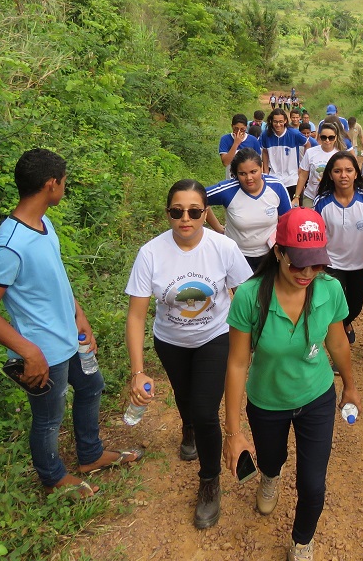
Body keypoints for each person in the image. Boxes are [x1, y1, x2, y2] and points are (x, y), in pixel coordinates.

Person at [0, 149, 142, 500]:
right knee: (48, 418)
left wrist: (79, 314)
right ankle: (52, 478)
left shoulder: (45, 225)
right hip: (43, 351)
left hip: (69, 337)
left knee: (91, 387)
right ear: (51, 184)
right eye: (63, 181)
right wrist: (28, 352)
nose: (64, 187)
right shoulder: (10, 245)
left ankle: (90, 455)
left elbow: (55, 279)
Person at [223, 208, 361, 561]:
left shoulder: (329, 289)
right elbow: (237, 363)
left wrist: (350, 385)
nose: (307, 273)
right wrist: (233, 432)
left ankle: (302, 541)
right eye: (298, 263)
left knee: (313, 483)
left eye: (316, 264)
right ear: (278, 252)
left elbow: (337, 343)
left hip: (316, 397)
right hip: (267, 401)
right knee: (271, 460)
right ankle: (271, 476)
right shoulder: (250, 296)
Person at [124, 179, 253, 528]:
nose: (186, 218)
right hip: (170, 341)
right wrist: (138, 371)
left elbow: (245, 294)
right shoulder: (151, 253)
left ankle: (209, 481)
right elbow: (136, 316)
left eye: (194, 212)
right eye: (177, 211)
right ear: (167, 213)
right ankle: (188, 430)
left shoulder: (223, 247)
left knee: (205, 410)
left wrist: (251, 339)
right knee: (184, 396)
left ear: (205, 213)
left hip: (215, 336)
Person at [313, 152, 363, 344]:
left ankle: (346, 322)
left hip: (359, 263)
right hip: (331, 263)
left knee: (355, 306)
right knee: (334, 303)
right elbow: (317, 236)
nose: (343, 175)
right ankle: (337, 336)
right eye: (337, 171)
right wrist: (317, 264)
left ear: (356, 173)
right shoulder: (321, 202)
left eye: (348, 170)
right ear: (330, 175)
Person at [206, 149, 293, 271]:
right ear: (236, 174)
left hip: (270, 255)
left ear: (261, 167)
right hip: (236, 255)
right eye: (242, 174)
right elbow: (198, 199)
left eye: (253, 172)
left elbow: (287, 222)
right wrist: (218, 228)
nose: (249, 178)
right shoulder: (227, 190)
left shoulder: (276, 187)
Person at [260, 107, 309, 201]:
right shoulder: (266, 135)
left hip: (292, 178)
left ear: (285, 121)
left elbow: (307, 144)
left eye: (281, 121)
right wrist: (266, 172)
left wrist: (303, 165)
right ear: (271, 121)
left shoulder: (294, 133)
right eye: (275, 122)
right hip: (274, 177)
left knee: (294, 206)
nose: (278, 124)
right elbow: (265, 151)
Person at [295, 121, 342, 208]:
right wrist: (296, 196)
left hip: (331, 199)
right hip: (310, 197)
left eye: (331, 137)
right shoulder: (310, 152)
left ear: (335, 138)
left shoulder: (339, 155)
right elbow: (303, 176)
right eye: (324, 137)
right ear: (320, 136)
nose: (327, 140)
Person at [219, 113, 262, 179]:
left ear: (246, 127)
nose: (239, 132)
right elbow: (225, 162)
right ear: (232, 126)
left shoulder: (253, 140)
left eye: (242, 129)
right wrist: (236, 143)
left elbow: (259, 162)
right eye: (236, 129)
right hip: (231, 179)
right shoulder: (225, 139)